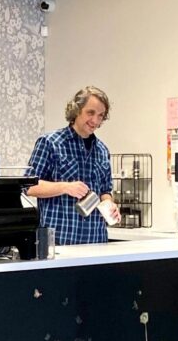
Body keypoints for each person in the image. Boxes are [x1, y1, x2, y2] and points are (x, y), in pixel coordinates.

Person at [26, 86, 120, 245]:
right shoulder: (50, 143)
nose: (95, 121)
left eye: (100, 116)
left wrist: (109, 203)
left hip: (96, 241)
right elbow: (29, 186)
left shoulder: (102, 150)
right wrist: (64, 187)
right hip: (59, 242)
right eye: (90, 113)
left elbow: (105, 190)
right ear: (76, 110)